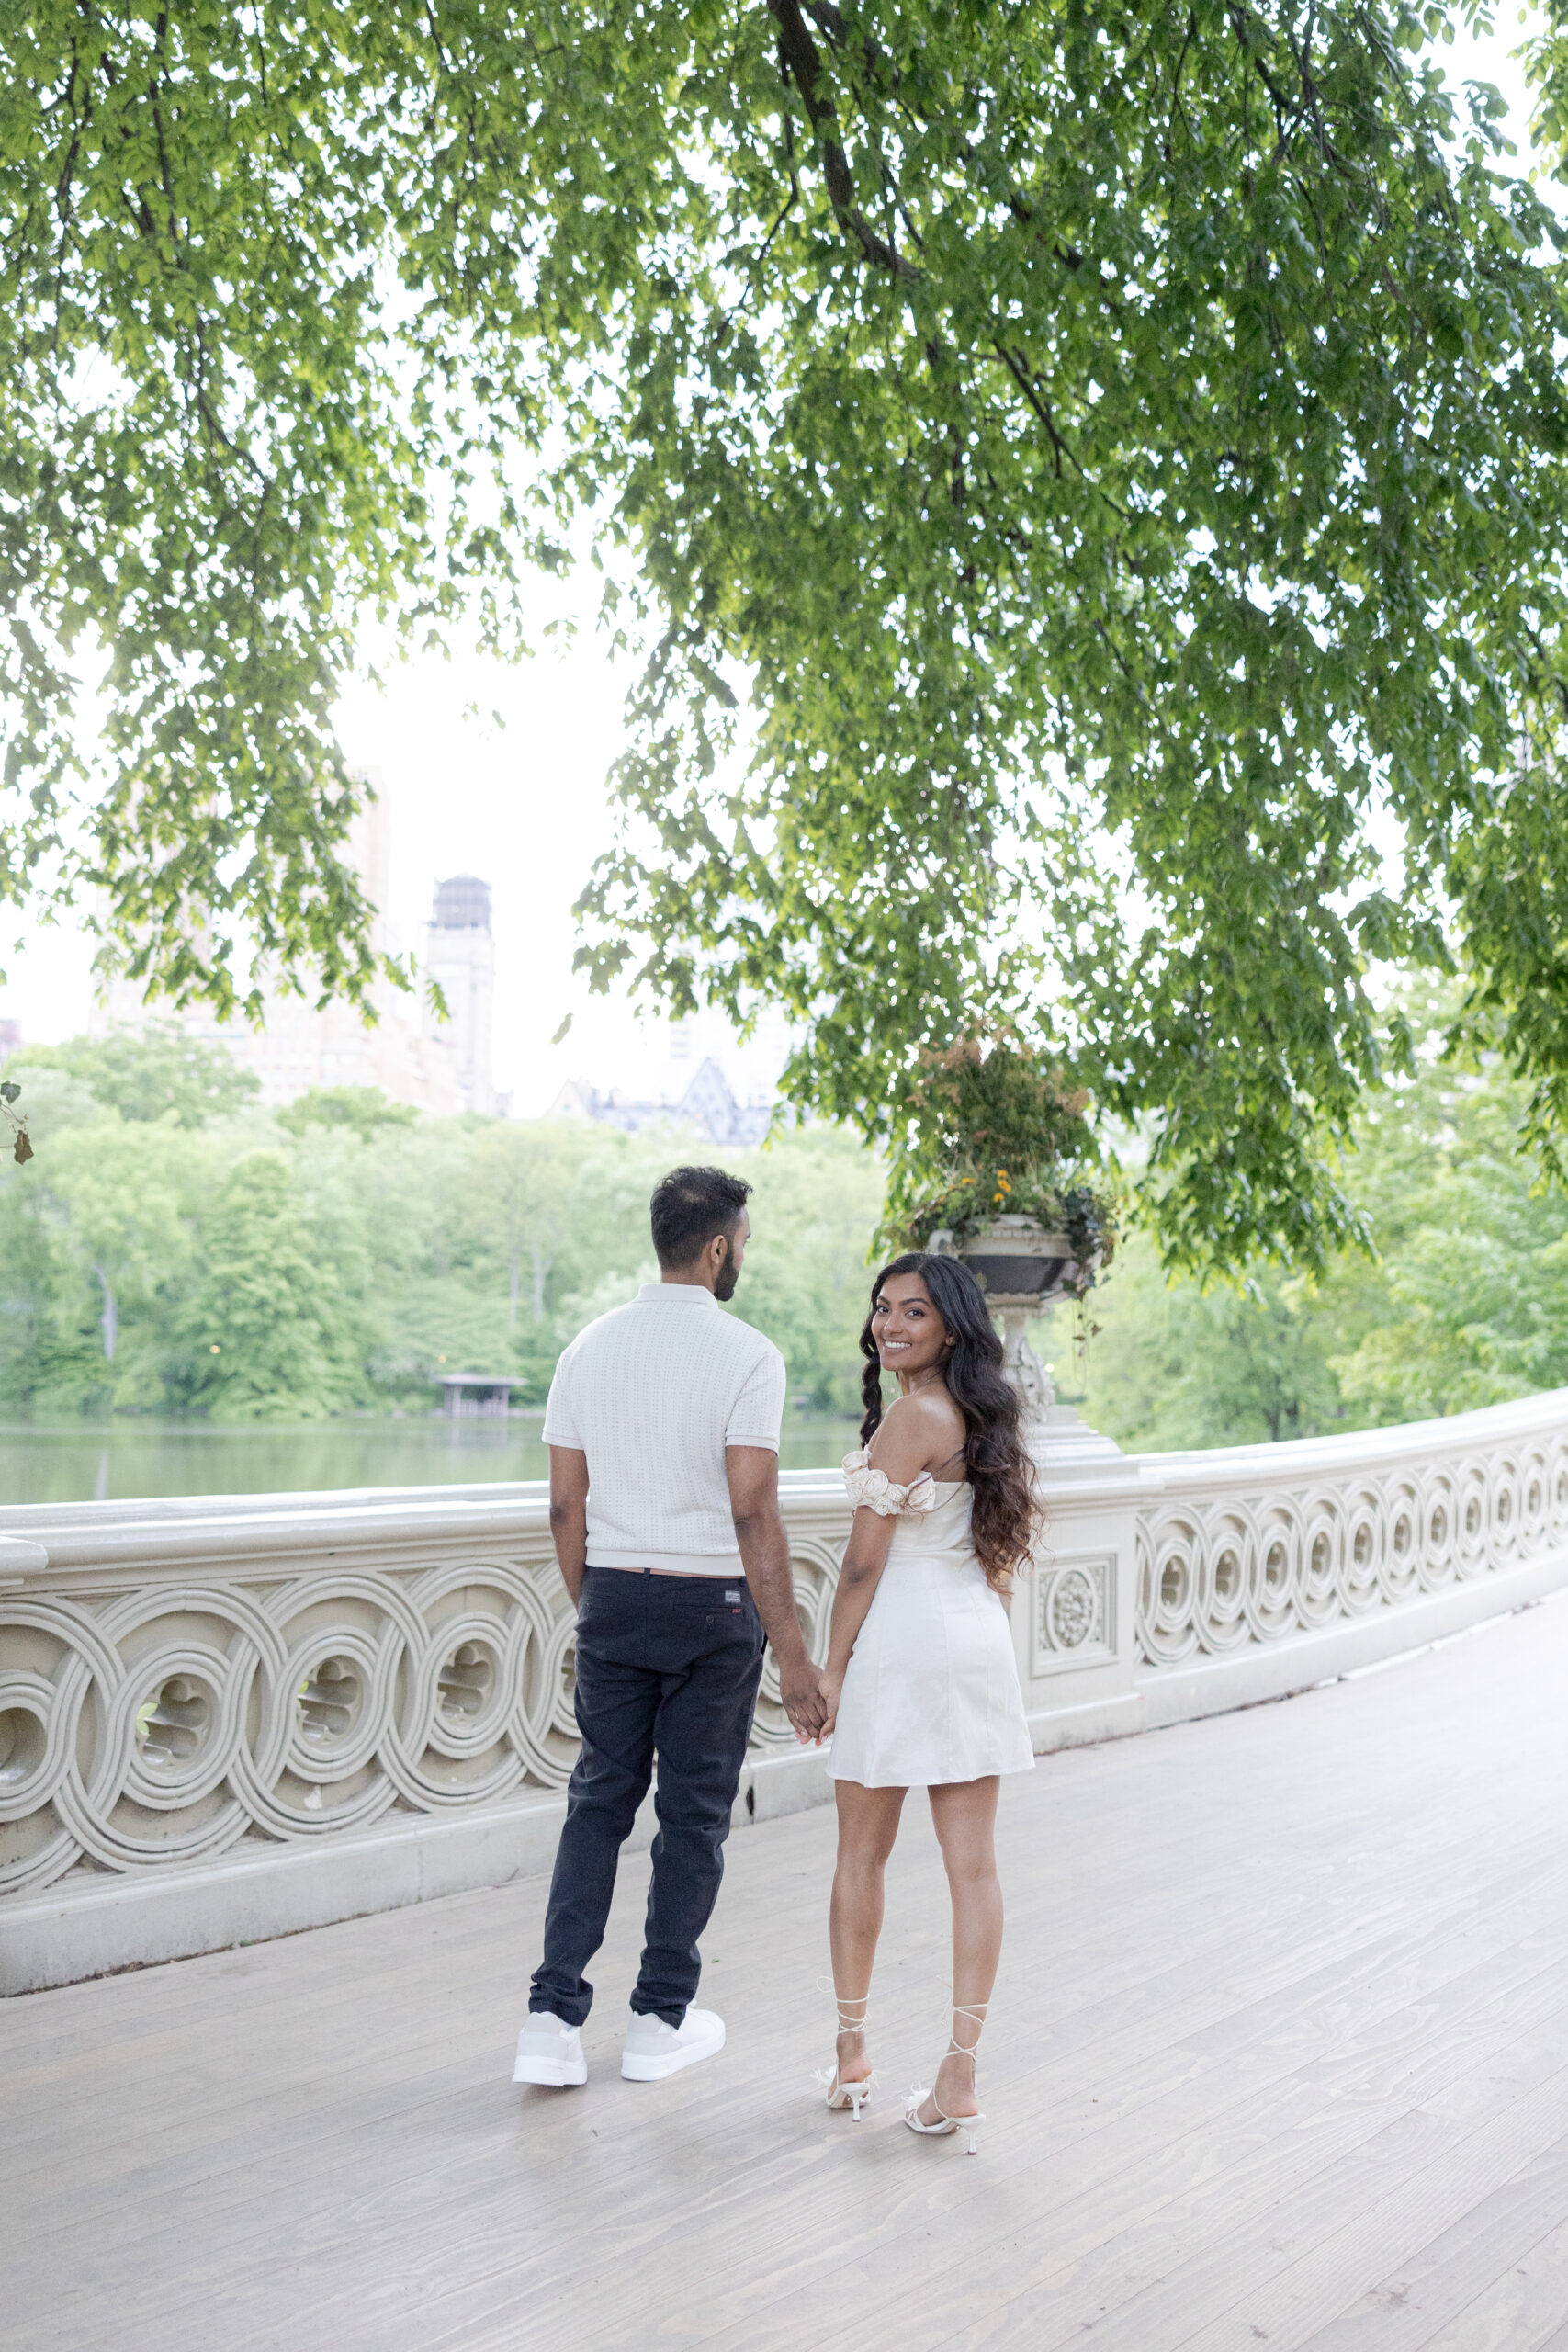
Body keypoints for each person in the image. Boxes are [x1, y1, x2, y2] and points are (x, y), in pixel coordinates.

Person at [514, 1164, 827, 2091]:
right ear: (720, 1246)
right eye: (745, 1245)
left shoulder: (587, 1348)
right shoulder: (749, 1355)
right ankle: (656, 2019)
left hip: (613, 1590)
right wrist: (798, 1656)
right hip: (713, 1606)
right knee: (691, 1816)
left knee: (598, 1800)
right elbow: (754, 1510)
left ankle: (550, 2018)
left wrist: (598, 1601)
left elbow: (565, 1506)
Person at [816, 1250, 1039, 2154]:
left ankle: (853, 2051)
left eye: (912, 1311)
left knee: (860, 1855)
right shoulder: (983, 1415)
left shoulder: (913, 1416)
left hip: (904, 1642)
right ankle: (959, 2067)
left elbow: (864, 1562)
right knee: (973, 1868)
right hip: (974, 1636)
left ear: (949, 1325)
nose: (891, 1325)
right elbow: (990, 1553)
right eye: (882, 1309)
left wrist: (830, 1668)